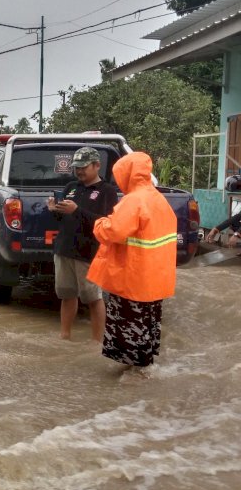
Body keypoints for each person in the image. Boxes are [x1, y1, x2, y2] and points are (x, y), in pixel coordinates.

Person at [87, 152, 177, 370]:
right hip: (154, 281)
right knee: (146, 333)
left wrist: (100, 222)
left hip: (133, 280)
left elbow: (113, 232)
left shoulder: (134, 200)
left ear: (126, 174)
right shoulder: (158, 198)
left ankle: (134, 382)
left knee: (130, 336)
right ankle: (143, 378)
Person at [47, 147, 119, 342]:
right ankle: (65, 338)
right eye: (76, 167)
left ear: (97, 165)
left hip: (89, 252)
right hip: (64, 250)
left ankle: (97, 342)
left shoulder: (107, 191)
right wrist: (53, 209)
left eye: (83, 167)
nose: (79, 171)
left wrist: (77, 210)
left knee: (93, 298)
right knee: (67, 295)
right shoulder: (71, 187)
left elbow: (106, 222)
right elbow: (62, 219)